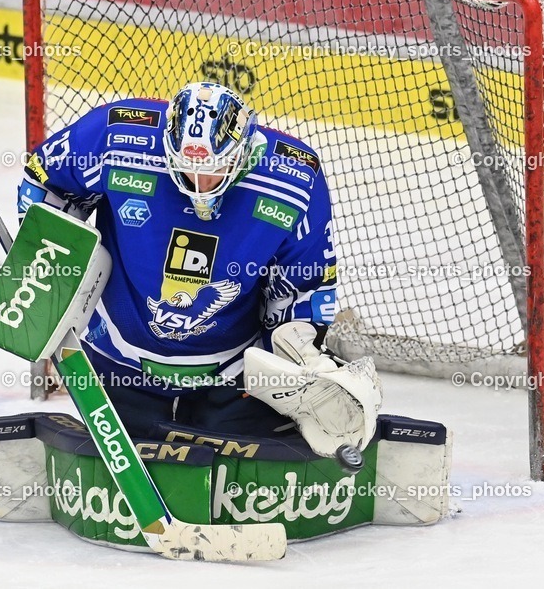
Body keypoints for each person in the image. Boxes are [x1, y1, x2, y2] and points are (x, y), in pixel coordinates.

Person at [19, 82, 380, 456]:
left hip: (231, 372)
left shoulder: (293, 177)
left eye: (214, 168)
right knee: (126, 458)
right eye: (187, 167)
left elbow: (300, 282)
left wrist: (297, 353)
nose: (200, 183)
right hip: (117, 359)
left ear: (244, 148)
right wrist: (54, 268)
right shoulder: (115, 136)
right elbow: (46, 183)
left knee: (243, 467)